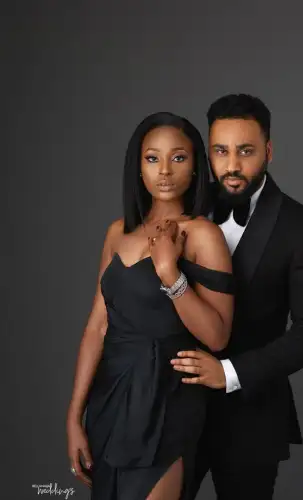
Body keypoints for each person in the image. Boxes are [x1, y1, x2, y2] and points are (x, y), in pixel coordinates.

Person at [171, 94, 303, 499]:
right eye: (220, 151)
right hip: (173, 408)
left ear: (268, 151)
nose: (231, 165)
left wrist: (229, 373)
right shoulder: (181, 209)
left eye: (245, 151)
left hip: (252, 416)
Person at [66, 112, 235, 500]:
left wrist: (168, 273)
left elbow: (218, 336)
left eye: (178, 158)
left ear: (195, 167)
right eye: (152, 158)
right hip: (111, 395)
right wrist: (74, 416)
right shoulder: (117, 232)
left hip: (167, 398)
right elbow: (97, 326)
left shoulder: (203, 235)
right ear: (138, 167)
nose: (165, 171)